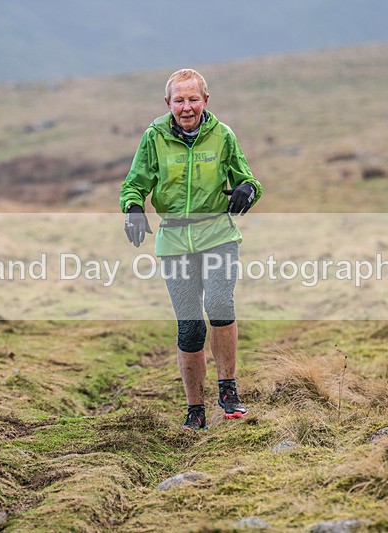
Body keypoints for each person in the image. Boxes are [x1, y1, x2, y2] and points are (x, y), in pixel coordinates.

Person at [119, 68, 263, 430]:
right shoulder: (154, 138)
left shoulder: (223, 136)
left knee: (219, 303)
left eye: (193, 99)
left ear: (205, 101)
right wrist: (133, 209)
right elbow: (134, 184)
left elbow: (246, 178)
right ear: (168, 103)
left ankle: (228, 389)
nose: (187, 107)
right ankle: (194, 410)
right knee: (190, 327)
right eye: (179, 100)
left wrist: (248, 189)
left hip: (217, 234)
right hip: (174, 240)